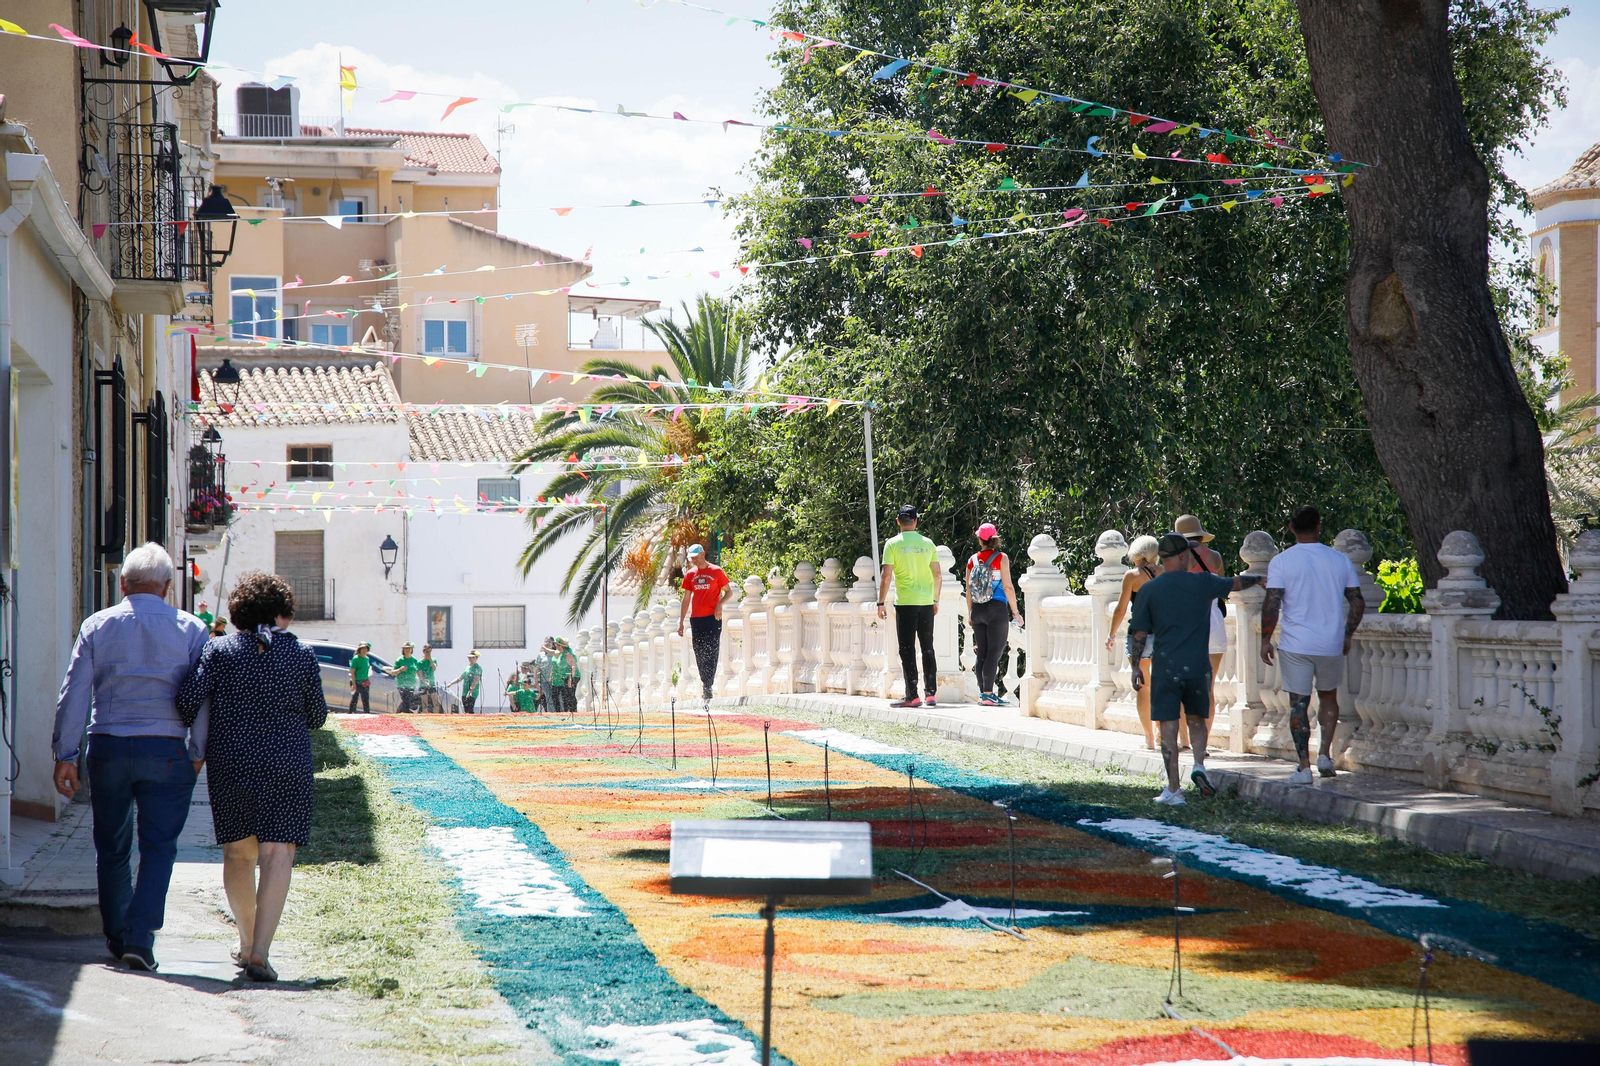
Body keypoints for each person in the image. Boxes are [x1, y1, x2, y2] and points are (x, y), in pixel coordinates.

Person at [51, 543, 209, 972]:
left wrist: (66, 754)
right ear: (168, 587)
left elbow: (75, 692)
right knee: (159, 848)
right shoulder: (193, 629)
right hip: (168, 749)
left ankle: (119, 936)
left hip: (109, 746)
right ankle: (140, 937)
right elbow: (204, 698)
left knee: (112, 846)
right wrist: (197, 750)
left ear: (123, 583)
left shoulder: (98, 625)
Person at [177, 570, 328, 983]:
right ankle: (261, 951)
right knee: (278, 855)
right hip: (288, 763)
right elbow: (317, 717)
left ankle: (244, 945)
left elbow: (187, 700)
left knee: (238, 855)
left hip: (232, 764)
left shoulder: (220, 650)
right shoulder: (301, 655)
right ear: (282, 613)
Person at [1130, 533, 1263, 806]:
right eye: (1188, 552)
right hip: (1198, 667)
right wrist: (1260, 578)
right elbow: (1237, 583)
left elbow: (1139, 634)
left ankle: (1173, 789)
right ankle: (1199, 764)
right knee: (1196, 720)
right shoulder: (1202, 582)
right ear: (1181, 556)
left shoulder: (1148, 590)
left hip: (1166, 667)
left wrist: (1135, 667)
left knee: (1168, 725)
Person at [1261, 505, 1366, 785]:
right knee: (1329, 697)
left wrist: (1265, 638)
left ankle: (1304, 767)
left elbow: (1272, 602)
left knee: (1299, 704)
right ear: (1320, 526)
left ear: (1290, 528)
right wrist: (1347, 635)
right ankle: (1324, 755)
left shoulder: (1282, 562)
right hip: (1330, 642)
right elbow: (1357, 601)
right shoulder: (1340, 560)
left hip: (1296, 643)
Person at [878, 505, 943, 708]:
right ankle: (930, 694)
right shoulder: (928, 544)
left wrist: (880, 601)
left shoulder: (892, 544)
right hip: (926, 603)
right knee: (927, 648)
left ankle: (912, 695)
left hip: (905, 603)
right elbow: (938, 575)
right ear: (916, 521)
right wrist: (935, 600)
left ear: (898, 522)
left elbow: (886, 576)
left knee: (907, 649)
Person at [1107, 535, 1162, 749]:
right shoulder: (1164, 573)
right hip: (1163, 634)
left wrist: (1111, 635)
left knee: (1143, 687)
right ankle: (1162, 731)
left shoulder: (1132, 576)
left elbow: (1121, 609)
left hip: (1140, 634)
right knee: (1162, 685)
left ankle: (1148, 737)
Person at [964, 522, 1022, 706]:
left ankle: (984, 694)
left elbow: (968, 590)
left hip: (978, 609)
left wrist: (970, 613)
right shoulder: (1001, 558)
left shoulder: (972, 560)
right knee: (994, 653)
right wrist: (1015, 612)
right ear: (995, 539)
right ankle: (988, 694)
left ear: (980, 539)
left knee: (982, 652)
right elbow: (1007, 586)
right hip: (996, 608)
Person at [677, 544, 733, 700]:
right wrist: (681, 621)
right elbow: (686, 598)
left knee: (712, 650)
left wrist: (720, 604)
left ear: (703, 553)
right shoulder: (690, 574)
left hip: (713, 618)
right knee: (699, 651)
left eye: (696, 556)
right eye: (691, 558)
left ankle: (707, 685)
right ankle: (705, 682)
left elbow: (729, 592)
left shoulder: (716, 571)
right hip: (696, 619)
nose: (694, 560)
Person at [387, 642, 421, 713]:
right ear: (403, 650)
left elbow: (418, 671)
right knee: (406, 701)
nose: (407, 650)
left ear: (412, 649)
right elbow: (393, 672)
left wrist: (423, 680)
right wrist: (400, 670)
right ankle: (405, 714)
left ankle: (401, 713)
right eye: (405, 649)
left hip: (411, 685)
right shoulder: (400, 660)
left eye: (409, 648)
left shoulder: (414, 660)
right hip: (402, 685)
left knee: (408, 702)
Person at [550, 636, 580, 714]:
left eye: (556, 645)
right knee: (565, 695)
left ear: (560, 646)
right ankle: (567, 712)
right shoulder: (562, 653)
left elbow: (573, 667)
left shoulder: (568, 654)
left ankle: (573, 711)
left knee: (570, 694)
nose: (555, 646)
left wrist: (570, 679)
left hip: (572, 676)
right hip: (566, 677)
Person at [533, 638, 559, 712]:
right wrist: (536, 681)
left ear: (553, 643)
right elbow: (537, 668)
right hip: (544, 680)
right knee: (549, 698)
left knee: (557, 698)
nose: (547, 643)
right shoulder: (540, 655)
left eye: (549, 642)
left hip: (556, 680)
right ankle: (551, 714)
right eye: (546, 641)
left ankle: (560, 713)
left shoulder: (555, 653)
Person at [348, 642, 373, 713]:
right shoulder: (356, 659)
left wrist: (369, 673)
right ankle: (351, 713)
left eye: (365, 648)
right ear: (359, 649)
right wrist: (354, 684)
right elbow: (352, 672)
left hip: (365, 682)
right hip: (356, 681)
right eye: (362, 648)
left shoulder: (367, 659)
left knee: (365, 700)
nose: (364, 650)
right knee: (354, 699)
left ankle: (367, 713)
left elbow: (367, 669)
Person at [418, 645, 439, 713]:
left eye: (430, 651)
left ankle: (436, 716)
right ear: (424, 652)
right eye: (427, 652)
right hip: (423, 685)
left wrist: (430, 659)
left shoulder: (434, 660)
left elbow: (434, 668)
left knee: (436, 703)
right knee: (425, 705)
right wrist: (425, 682)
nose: (428, 653)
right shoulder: (420, 662)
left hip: (432, 684)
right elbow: (420, 675)